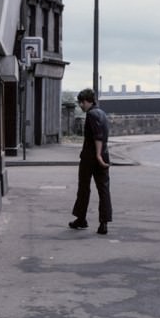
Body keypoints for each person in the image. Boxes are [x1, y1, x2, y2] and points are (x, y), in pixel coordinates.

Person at [69, 88, 113, 234]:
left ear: (87, 101)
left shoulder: (91, 114)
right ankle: (103, 223)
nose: (80, 106)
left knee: (84, 189)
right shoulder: (102, 113)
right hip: (103, 155)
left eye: (81, 102)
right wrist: (102, 155)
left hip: (90, 158)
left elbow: (98, 136)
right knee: (104, 189)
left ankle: (81, 219)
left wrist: (98, 155)